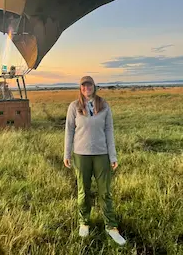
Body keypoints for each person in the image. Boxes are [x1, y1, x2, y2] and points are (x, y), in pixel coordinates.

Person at [64, 76, 126, 245]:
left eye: (89, 85)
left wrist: (113, 156)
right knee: (83, 191)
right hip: (81, 154)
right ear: (80, 88)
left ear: (94, 86)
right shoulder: (74, 107)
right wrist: (67, 154)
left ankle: (111, 227)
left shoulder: (104, 105)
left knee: (105, 192)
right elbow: (69, 131)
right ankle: (84, 223)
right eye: (83, 85)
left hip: (101, 154)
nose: (86, 88)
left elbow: (109, 131)